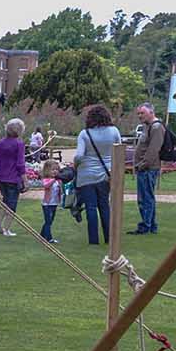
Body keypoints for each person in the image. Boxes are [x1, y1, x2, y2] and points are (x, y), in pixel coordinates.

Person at [73, 104, 122, 247]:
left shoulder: (85, 134)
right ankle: (108, 237)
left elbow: (79, 156)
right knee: (104, 206)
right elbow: (119, 151)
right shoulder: (114, 131)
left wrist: (75, 166)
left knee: (90, 207)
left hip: (86, 174)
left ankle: (93, 240)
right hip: (106, 174)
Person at [131, 103, 166, 235]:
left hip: (148, 168)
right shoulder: (147, 126)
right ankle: (150, 225)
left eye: (142, 113)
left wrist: (142, 165)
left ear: (151, 112)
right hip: (144, 168)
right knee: (145, 197)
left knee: (146, 198)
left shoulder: (156, 127)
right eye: (139, 113)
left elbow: (153, 150)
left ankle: (146, 225)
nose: (140, 116)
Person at [0, 117, 27, 236]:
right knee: (12, 205)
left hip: (1, 178)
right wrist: (25, 181)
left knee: (4, 201)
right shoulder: (19, 143)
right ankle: (6, 229)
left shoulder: (1, 142)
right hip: (13, 178)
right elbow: (20, 164)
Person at [38, 156, 63, 242]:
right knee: (48, 221)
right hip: (47, 204)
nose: (55, 171)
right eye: (53, 169)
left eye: (56, 169)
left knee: (50, 221)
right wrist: (53, 180)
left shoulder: (58, 180)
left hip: (54, 203)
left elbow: (61, 190)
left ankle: (41, 235)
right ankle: (49, 238)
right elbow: (46, 186)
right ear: (47, 170)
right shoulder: (46, 179)